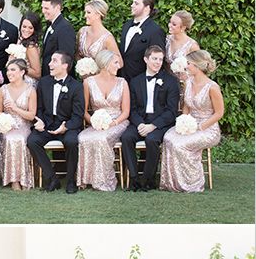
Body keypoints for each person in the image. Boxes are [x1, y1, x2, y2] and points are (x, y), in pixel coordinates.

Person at [160, 50, 223, 192]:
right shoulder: (188, 82)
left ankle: (191, 183)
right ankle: (172, 183)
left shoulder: (212, 87)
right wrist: (183, 122)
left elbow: (219, 113)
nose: (186, 66)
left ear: (198, 66)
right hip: (190, 125)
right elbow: (186, 107)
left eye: (188, 64)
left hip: (208, 129)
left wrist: (200, 126)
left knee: (181, 144)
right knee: (169, 138)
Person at [120, 45, 180, 191]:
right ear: (146, 59)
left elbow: (171, 111)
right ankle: (134, 178)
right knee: (127, 137)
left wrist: (153, 126)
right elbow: (132, 109)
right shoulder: (135, 81)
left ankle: (148, 179)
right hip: (139, 122)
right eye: (154, 59)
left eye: (160, 59)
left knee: (152, 140)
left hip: (160, 124)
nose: (158, 62)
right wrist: (140, 124)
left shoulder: (171, 82)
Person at [27, 50, 84, 193]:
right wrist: (38, 121)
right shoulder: (43, 83)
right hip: (46, 125)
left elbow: (78, 115)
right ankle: (52, 178)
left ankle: (71, 181)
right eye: (50, 60)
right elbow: (38, 108)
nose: (49, 64)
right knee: (32, 141)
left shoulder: (76, 86)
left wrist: (66, 127)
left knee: (72, 142)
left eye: (54, 61)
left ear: (65, 65)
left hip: (67, 126)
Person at [77, 50, 130, 191]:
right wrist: (93, 121)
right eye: (116, 62)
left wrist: (113, 123)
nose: (119, 66)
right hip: (97, 123)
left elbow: (126, 112)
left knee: (101, 138)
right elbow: (83, 110)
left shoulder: (122, 82)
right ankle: (87, 179)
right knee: (83, 137)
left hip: (118, 122)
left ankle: (104, 179)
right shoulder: (88, 82)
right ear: (106, 64)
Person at [0, 59, 36, 190]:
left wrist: (15, 108)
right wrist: (4, 122)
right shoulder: (3, 89)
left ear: (22, 72)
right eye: (8, 70)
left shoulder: (31, 90)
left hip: (24, 125)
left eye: (13, 70)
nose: (9, 73)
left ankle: (24, 178)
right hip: (7, 126)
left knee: (19, 138)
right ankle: (13, 179)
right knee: (10, 138)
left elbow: (31, 115)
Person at [118, 0, 166, 82]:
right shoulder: (127, 25)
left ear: (147, 8)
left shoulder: (155, 31)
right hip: (121, 79)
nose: (132, 5)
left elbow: (157, 59)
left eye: (136, 3)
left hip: (141, 82)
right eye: (132, 3)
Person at [76, 0, 122, 66]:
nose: (85, 16)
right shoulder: (82, 32)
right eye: (85, 12)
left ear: (98, 15)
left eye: (88, 12)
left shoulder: (107, 38)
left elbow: (120, 63)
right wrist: (82, 67)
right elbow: (77, 54)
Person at [41, 0, 76, 77]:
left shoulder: (65, 28)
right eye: (42, 8)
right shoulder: (50, 25)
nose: (43, 11)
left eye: (46, 8)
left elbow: (66, 58)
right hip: (48, 77)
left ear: (57, 8)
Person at [9, 12, 42, 87]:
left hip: (27, 84)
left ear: (35, 29)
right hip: (17, 82)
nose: (26, 30)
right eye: (24, 26)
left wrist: (18, 65)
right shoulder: (21, 41)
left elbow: (37, 73)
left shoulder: (31, 47)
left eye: (30, 28)